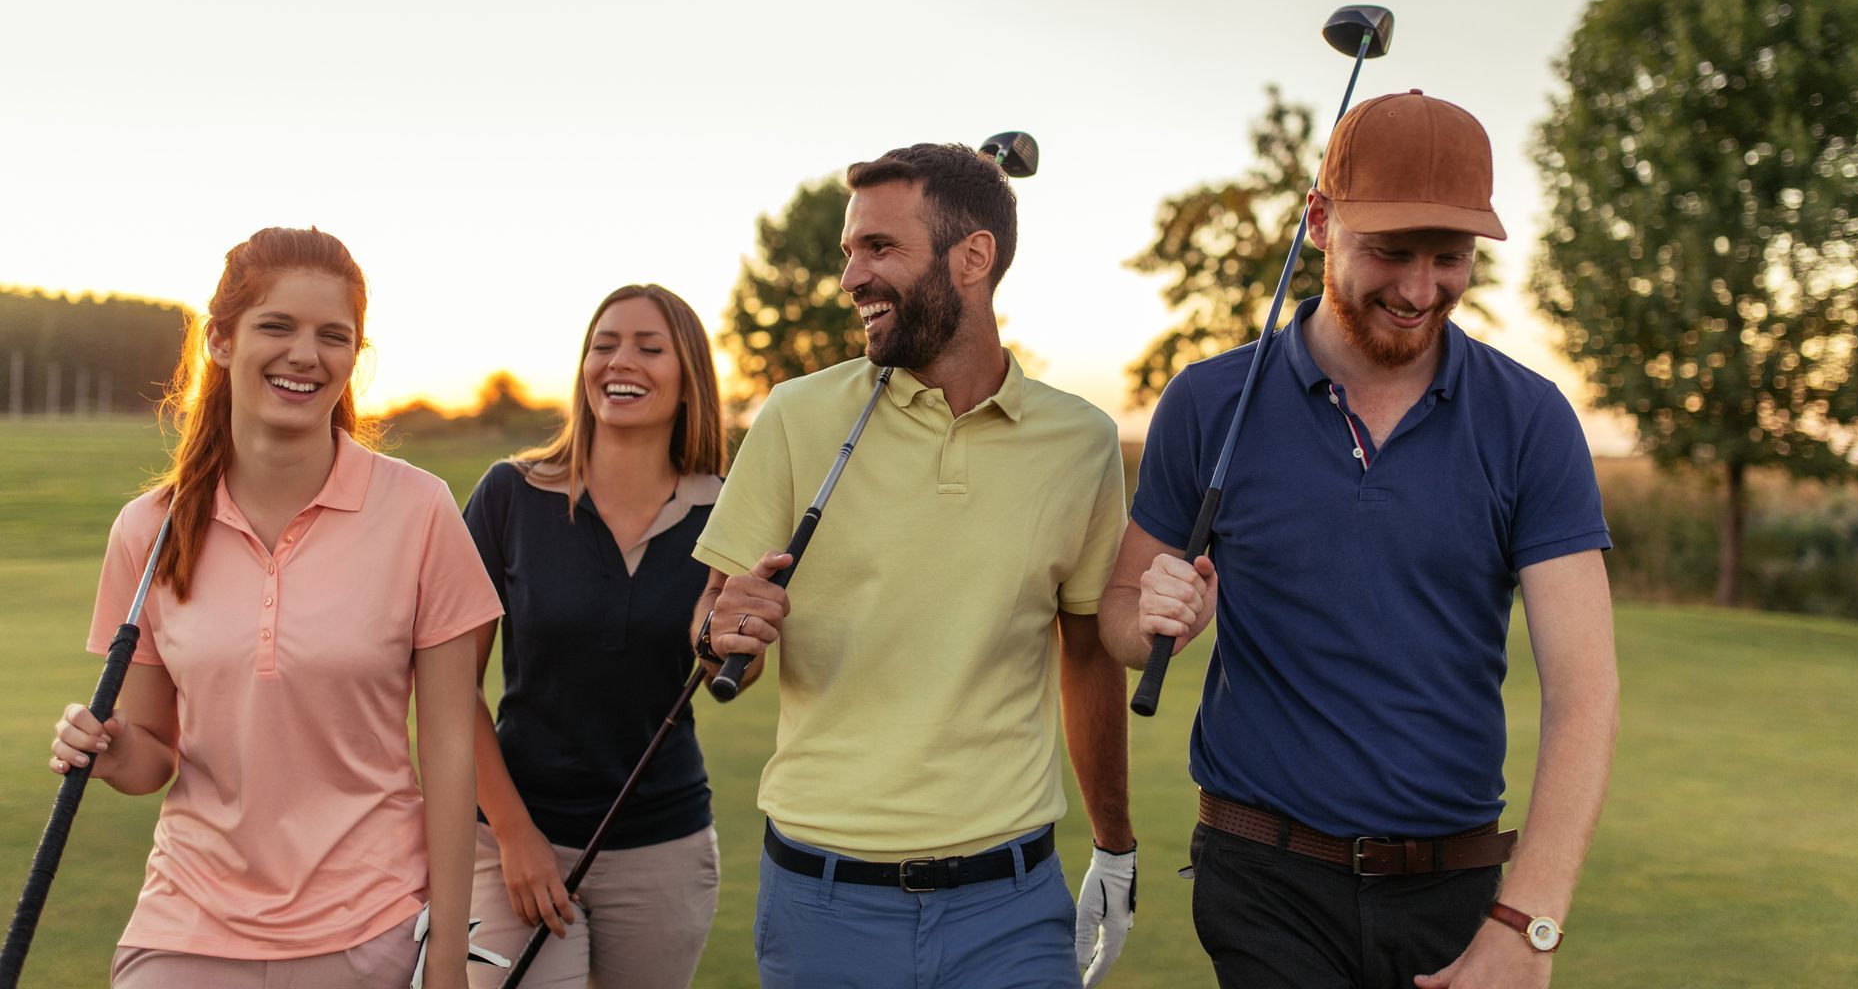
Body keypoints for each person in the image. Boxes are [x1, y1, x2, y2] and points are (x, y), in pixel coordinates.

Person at [1103, 91, 1619, 989]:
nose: (1420, 292)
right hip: (1263, 881)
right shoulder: (1207, 403)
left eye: (1449, 259)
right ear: (1319, 221)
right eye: (1390, 252)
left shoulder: (1530, 420)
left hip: (1456, 888)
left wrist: (1526, 923)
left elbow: (1585, 692)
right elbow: (1117, 615)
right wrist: (1152, 618)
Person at [692, 143, 1138, 989]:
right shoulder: (794, 416)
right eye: (849, 252)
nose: (850, 277)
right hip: (822, 906)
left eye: (879, 248)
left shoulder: (1081, 442)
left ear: (974, 257)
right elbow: (716, 632)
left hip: (1012, 908)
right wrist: (722, 634)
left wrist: (1114, 845)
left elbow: (1087, 656)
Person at [47, 226, 502, 989]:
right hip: (186, 926)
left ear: (355, 356)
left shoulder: (421, 511)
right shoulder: (148, 530)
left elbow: (451, 750)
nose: (305, 354)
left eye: (333, 336)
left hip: (372, 929)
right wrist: (113, 752)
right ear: (221, 340)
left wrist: (449, 958)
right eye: (277, 326)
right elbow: (152, 751)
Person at [461, 284, 726, 989]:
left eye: (648, 347)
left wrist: (727, 643)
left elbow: (734, 664)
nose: (620, 361)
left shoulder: (727, 511)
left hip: (663, 850)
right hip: (516, 842)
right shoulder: (509, 496)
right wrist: (515, 836)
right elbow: (450, 688)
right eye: (604, 345)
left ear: (688, 377)